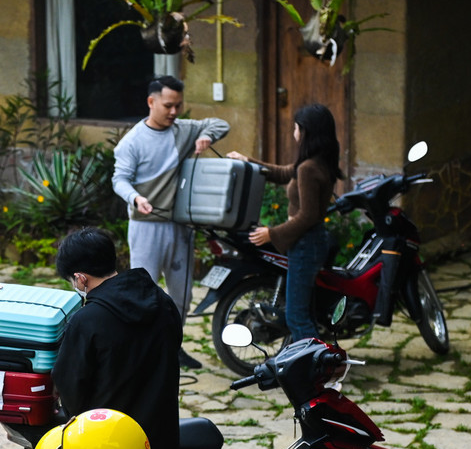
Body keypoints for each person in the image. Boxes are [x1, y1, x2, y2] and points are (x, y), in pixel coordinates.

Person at [112, 74, 230, 371]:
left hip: (180, 226)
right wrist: (136, 198)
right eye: (168, 105)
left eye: (178, 105)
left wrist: (207, 137)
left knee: (182, 293)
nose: (174, 112)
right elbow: (119, 179)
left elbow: (220, 124)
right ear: (151, 102)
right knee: (144, 292)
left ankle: (173, 348)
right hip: (146, 224)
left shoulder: (183, 130)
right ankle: (143, 352)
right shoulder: (132, 141)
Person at [51, 227, 181, 449]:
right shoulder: (164, 303)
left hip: (109, 447)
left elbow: (70, 388)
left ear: (80, 279)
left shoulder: (86, 321)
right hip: (160, 445)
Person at [226, 103, 343, 342]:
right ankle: (315, 364)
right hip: (311, 242)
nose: (294, 132)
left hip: (305, 244)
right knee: (304, 312)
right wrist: (248, 161)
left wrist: (272, 233)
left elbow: (308, 215)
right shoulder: (317, 161)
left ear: (306, 131)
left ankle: (312, 369)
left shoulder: (309, 167)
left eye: (296, 127)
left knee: (297, 317)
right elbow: (281, 172)